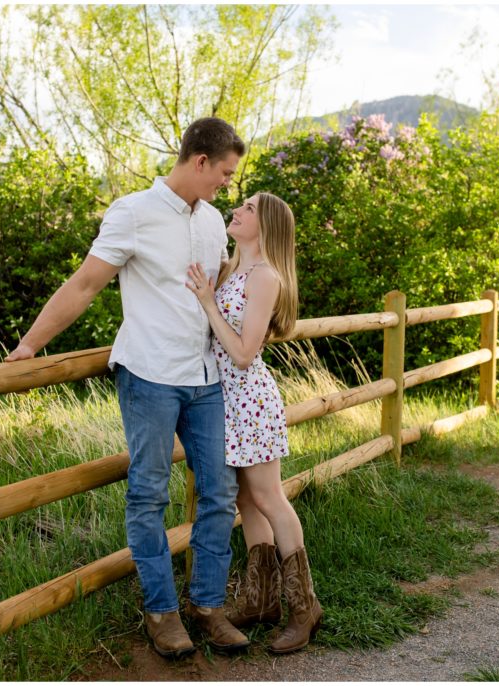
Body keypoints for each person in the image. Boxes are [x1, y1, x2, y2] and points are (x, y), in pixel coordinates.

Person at [5, 117, 250, 658]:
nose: (227, 186)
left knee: (220, 493)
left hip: (205, 378)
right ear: (200, 161)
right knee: (148, 496)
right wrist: (28, 345)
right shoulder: (133, 212)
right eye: (225, 174)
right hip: (150, 376)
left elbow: (228, 282)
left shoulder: (211, 222)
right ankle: (162, 613)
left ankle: (207, 605)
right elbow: (86, 283)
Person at [184, 192, 323, 654]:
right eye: (239, 205)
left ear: (265, 226)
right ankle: (261, 600)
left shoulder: (265, 277)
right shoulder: (233, 268)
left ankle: (305, 608)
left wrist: (208, 303)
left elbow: (244, 354)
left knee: (268, 497)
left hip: (251, 399)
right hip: (227, 401)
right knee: (245, 498)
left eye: (248, 209)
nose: (237, 211)